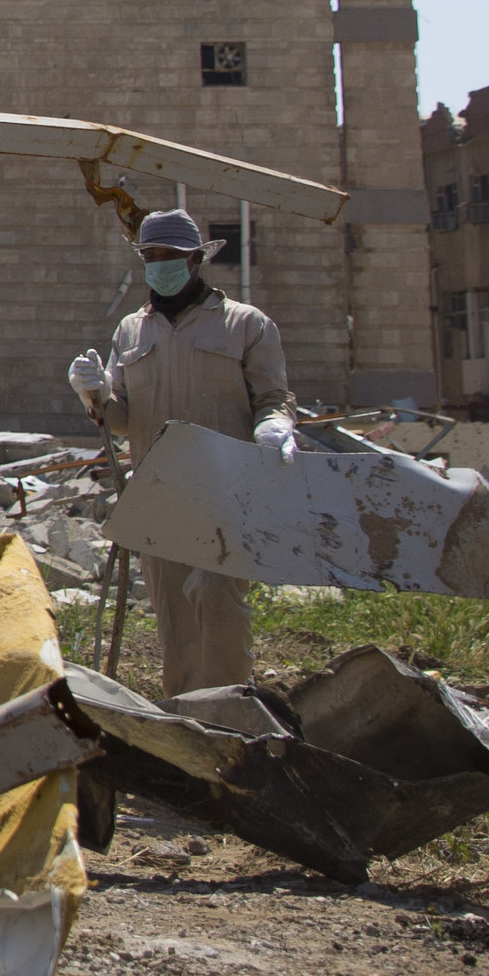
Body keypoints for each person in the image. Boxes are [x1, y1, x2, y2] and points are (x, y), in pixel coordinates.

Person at [76, 208, 294, 697]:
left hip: (228, 491)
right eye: (151, 257)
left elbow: (273, 397)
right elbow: (120, 418)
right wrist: (92, 394)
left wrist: (275, 425)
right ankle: (187, 716)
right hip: (160, 491)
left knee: (217, 597)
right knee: (174, 617)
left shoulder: (245, 324)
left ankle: (233, 710)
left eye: (170, 256)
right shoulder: (132, 331)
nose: (160, 265)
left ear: (196, 259)